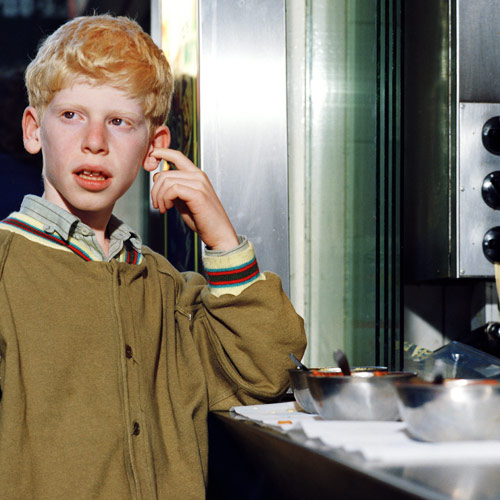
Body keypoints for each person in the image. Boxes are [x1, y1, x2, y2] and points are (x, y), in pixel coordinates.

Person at [0, 14, 306, 500]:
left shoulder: (166, 289)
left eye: (119, 122)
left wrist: (222, 241)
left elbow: (266, 373)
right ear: (35, 130)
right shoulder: (6, 272)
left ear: (153, 148)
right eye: (72, 115)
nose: (95, 141)